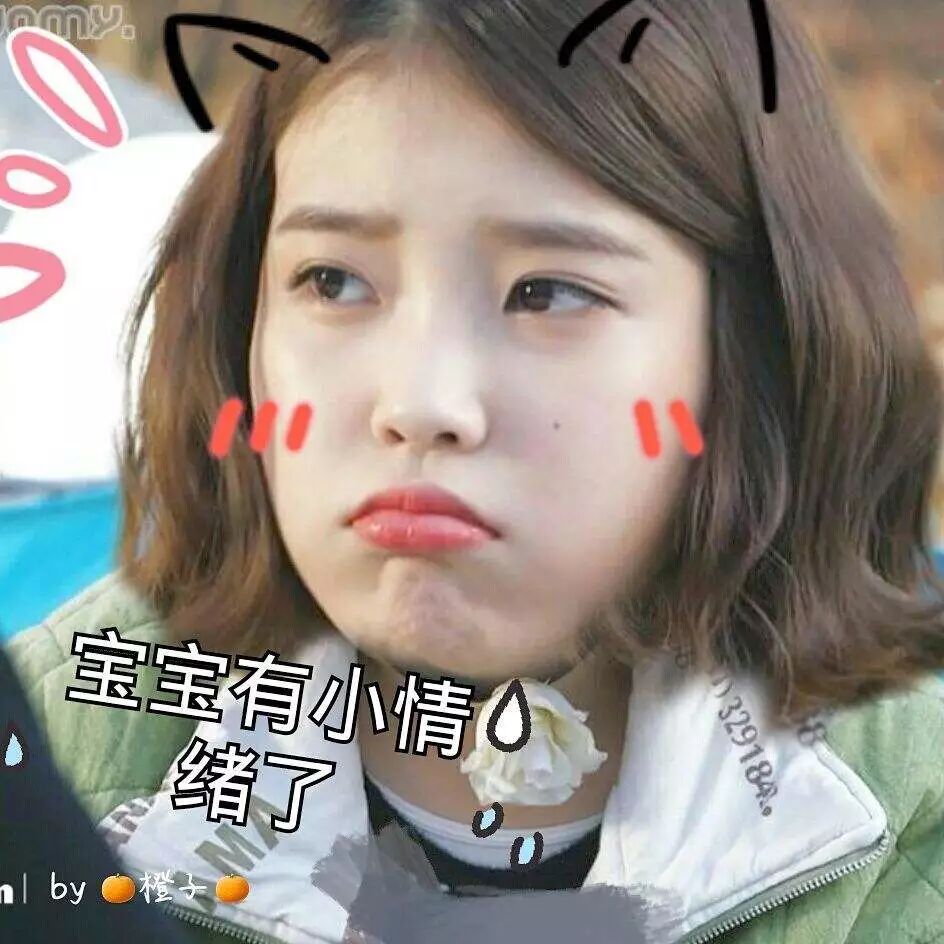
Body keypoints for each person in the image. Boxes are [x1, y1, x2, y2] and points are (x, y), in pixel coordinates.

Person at [6, 1, 944, 941]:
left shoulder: (915, 825)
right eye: (332, 281)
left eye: (548, 293)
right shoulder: (57, 748)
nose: (420, 403)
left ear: (756, 351)